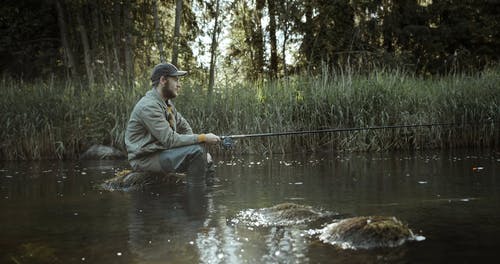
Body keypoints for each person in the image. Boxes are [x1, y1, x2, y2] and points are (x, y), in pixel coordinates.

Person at [125, 62, 220, 188]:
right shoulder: (148, 106)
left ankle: (208, 194)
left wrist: (200, 147)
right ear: (163, 80)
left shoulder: (166, 103)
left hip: (160, 153)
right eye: (175, 80)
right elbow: (169, 140)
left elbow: (184, 126)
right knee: (197, 152)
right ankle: (198, 197)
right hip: (144, 159)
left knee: (200, 152)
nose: (179, 85)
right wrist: (202, 138)